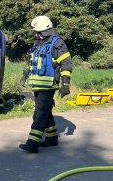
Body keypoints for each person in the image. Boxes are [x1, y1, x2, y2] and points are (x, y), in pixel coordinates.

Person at [18, 15, 72, 153]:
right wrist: (25, 76)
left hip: (48, 86)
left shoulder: (57, 43)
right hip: (37, 85)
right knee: (45, 112)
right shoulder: (38, 44)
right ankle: (51, 138)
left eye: (38, 32)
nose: (37, 34)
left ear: (45, 31)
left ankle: (32, 143)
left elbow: (66, 64)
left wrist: (65, 84)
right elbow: (32, 63)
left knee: (39, 114)